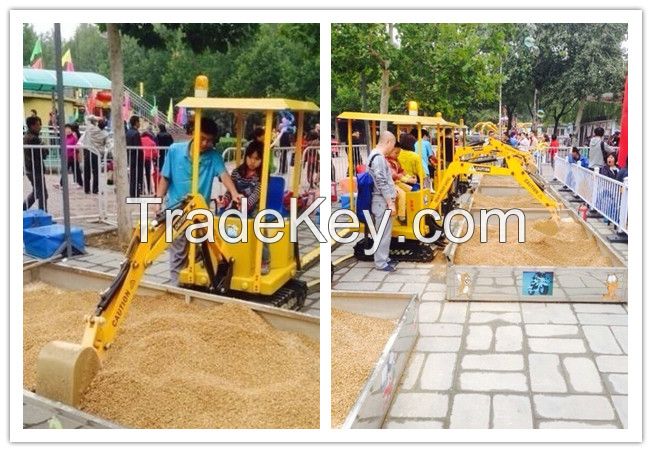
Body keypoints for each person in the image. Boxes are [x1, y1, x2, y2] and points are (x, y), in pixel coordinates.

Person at [157, 117, 242, 285]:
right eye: (202, 138)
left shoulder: (213, 156)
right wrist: (157, 200)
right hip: (177, 211)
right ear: (194, 132)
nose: (205, 143)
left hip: (200, 213)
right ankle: (176, 287)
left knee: (199, 250)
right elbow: (165, 177)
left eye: (209, 141)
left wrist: (234, 193)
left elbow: (224, 175)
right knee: (178, 250)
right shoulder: (175, 150)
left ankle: (192, 283)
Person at [221, 141, 271, 274]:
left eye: (257, 159)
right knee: (224, 225)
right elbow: (230, 191)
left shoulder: (262, 176)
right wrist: (224, 201)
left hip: (254, 207)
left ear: (262, 160)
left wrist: (244, 204)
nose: (252, 161)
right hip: (237, 205)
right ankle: (223, 255)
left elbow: (256, 195)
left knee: (259, 228)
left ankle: (265, 260)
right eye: (250, 157)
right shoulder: (237, 172)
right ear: (246, 156)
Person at [367, 131, 398, 272]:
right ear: (388, 142)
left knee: (385, 231)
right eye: (393, 144)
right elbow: (381, 181)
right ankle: (380, 262)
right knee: (383, 232)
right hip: (381, 201)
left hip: (381, 200)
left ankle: (384, 258)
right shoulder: (378, 158)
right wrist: (390, 202)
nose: (393, 148)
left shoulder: (375, 155)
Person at [387, 144, 417, 225]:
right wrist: (408, 180)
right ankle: (401, 216)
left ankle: (409, 212)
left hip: (397, 182)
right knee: (402, 194)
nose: (398, 155)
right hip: (390, 184)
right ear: (389, 151)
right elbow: (394, 175)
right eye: (396, 153)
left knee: (413, 190)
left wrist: (410, 177)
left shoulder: (396, 161)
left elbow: (402, 171)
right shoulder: (387, 161)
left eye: (398, 153)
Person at [23, 116, 48, 211]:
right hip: (35, 169)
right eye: (38, 124)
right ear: (32, 126)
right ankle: (44, 215)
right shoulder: (33, 139)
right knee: (42, 194)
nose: (40, 127)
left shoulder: (27, 136)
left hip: (31, 169)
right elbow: (44, 154)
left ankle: (23, 208)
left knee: (37, 193)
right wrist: (44, 147)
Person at [80, 116, 109, 195]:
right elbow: (108, 144)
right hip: (97, 154)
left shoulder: (90, 128)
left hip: (88, 152)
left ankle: (87, 189)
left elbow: (87, 118)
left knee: (87, 171)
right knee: (96, 173)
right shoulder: (105, 134)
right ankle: (95, 189)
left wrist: (97, 118)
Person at [56, 124, 83, 189]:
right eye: (66, 129)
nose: (67, 130)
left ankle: (80, 183)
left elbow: (77, 147)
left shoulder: (74, 138)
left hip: (73, 157)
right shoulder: (64, 138)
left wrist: (76, 155)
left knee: (77, 171)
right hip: (67, 157)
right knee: (65, 171)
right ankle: (62, 184)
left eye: (69, 129)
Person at [126, 115, 144, 197]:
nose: (139, 123)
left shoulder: (128, 132)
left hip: (130, 157)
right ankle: (135, 193)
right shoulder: (136, 133)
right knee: (136, 176)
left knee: (132, 176)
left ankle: (132, 192)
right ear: (136, 122)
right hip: (136, 158)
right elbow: (138, 148)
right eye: (139, 122)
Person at [141, 128, 159, 195]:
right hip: (149, 159)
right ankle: (152, 190)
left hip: (141, 159)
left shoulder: (140, 140)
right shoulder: (152, 142)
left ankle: (144, 190)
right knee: (150, 175)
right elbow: (155, 153)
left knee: (143, 175)